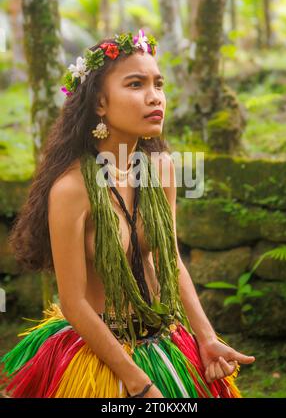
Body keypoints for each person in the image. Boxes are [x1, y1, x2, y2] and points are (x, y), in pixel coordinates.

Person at [0, 30, 255, 398]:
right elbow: (73, 303)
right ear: (100, 104)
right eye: (135, 84)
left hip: (163, 335)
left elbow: (170, 259)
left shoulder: (161, 168)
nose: (155, 97)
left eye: (158, 84)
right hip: (101, 350)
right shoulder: (73, 189)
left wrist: (207, 336)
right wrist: (137, 383)